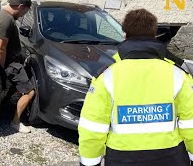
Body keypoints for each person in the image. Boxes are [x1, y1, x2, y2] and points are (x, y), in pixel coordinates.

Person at [78, 9, 193, 166]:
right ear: (154, 35)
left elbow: (92, 127)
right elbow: (190, 123)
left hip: (121, 158)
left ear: (125, 35)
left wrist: (89, 162)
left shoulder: (106, 76)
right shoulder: (177, 74)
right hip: (170, 156)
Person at [0, 0, 35, 133]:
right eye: (25, 12)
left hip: (11, 63)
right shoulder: (7, 20)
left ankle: (1, 110)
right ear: (21, 7)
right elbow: (1, 48)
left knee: (13, 88)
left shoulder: (2, 15)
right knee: (29, 92)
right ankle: (15, 122)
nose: (23, 16)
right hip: (12, 64)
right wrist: (1, 69)